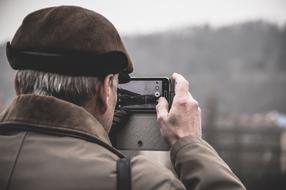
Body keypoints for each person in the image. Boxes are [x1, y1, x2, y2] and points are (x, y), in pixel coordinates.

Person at [0, 5, 246, 190]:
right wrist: (190, 143)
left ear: (18, 85)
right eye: (117, 88)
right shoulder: (140, 181)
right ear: (106, 90)